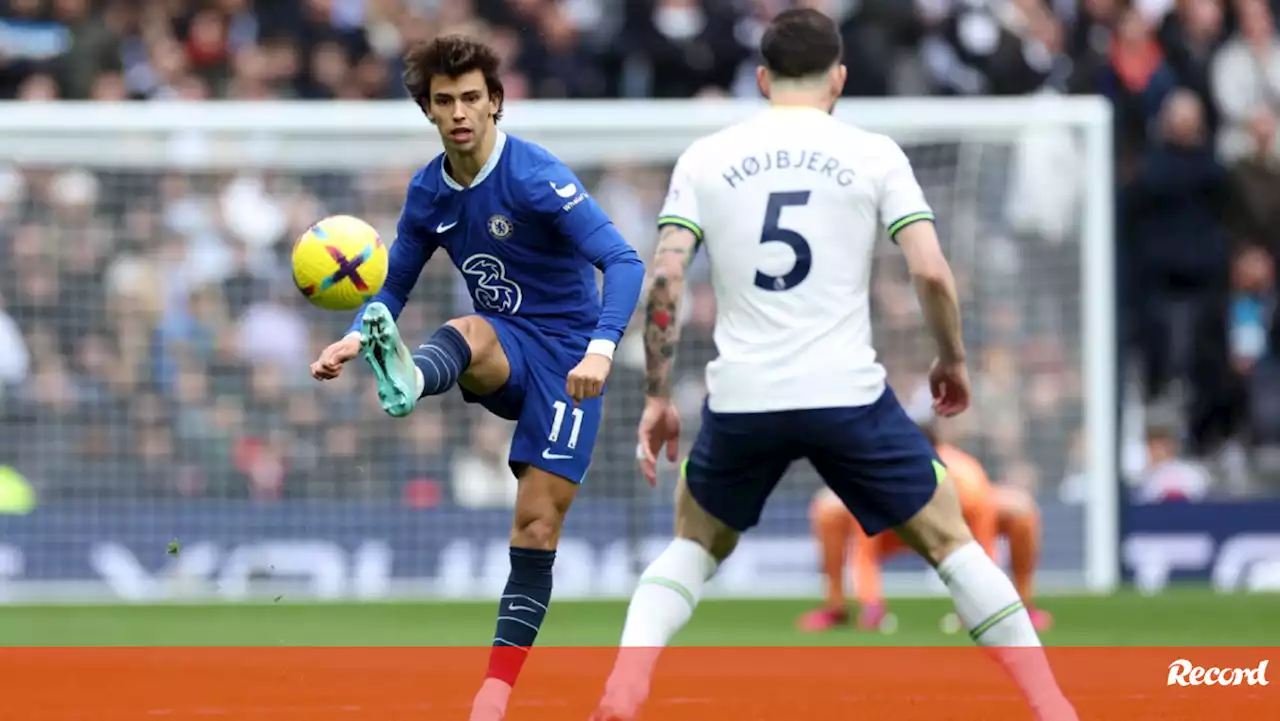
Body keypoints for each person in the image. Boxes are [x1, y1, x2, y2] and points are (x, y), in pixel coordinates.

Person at [589, 9, 1076, 721]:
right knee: (951, 542)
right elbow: (933, 273)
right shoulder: (874, 153)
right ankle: (1052, 704)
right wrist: (952, 359)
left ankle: (624, 689)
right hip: (846, 393)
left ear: (761, 79)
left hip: (744, 394)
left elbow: (665, 279)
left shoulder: (706, 157)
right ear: (839, 78)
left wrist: (659, 393)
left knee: (692, 544)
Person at [308, 35, 645, 721]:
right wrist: (352, 337)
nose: (459, 111)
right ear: (427, 111)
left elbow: (624, 260)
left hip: (573, 361)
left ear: (495, 102)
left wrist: (603, 349)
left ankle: (493, 695)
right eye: (444, 101)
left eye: (470, 97)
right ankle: (406, 374)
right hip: (506, 345)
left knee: (536, 527)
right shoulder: (429, 190)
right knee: (469, 328)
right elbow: (394, 284)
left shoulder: (533, 175)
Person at [800, 386, 1054, 633]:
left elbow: (983, 548)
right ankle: (836, 607)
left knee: (1020, 507)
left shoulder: (967, 482)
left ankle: (1022, 606)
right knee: (828, 506)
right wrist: (872, 606)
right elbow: (865, 551)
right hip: (896, 530)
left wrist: (981, 607)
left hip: (954, 531)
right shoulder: (879, 478)